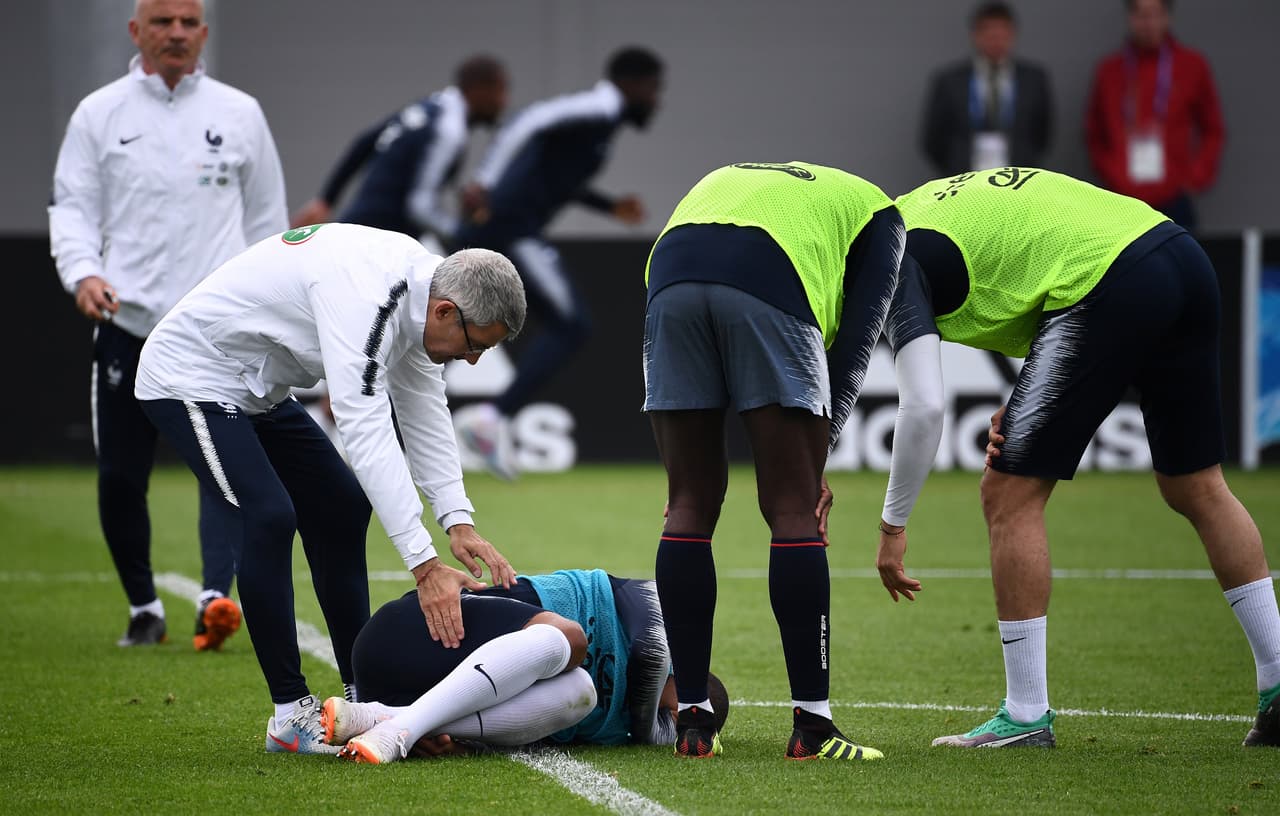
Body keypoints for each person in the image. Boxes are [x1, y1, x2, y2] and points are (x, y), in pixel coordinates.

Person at [877, 167, 1280, 749]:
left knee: (1008, 492)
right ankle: (1277, 683)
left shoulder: (888, 257)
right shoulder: (920, 208)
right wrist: (1024, 402)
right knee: (1197, 486)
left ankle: (1025, 715)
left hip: (1108, 280)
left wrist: (892, 524)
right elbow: (1032, 254)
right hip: (1177, 253)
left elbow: (923, 406)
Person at [133, 223, 525, 754]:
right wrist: (424, 565)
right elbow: (365, 428)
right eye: (476, 344)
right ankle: (290, 718)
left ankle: (364, 696)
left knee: (341, 507)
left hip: (258, 390)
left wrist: (458, 521)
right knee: (267, 516)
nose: (474, 359)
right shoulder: (370, 295)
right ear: (445, 313)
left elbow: (424, 413)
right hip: (190, 377)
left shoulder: (425, 292)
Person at [642, 161, 918, 761]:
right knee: (793, 508)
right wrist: (817, 459)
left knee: (687, 505)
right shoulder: (886, 216)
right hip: (769, 277)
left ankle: (691, 721)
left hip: (669, 277)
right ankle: (812, 727)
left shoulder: (745, 179)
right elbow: (854, 342)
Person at [47, 0, 287, 650]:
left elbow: (268, 220)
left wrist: (266, 307)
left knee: (221, 464)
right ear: (136, 31)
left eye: (188, 21)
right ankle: (143, 606)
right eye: (163, 21)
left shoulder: (240, 112)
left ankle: (215, 597)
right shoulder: (99, 113)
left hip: (214, 330)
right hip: (127, 320)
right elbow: (71, 207)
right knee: (122, 475)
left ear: (204, 32)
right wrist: (82, 273)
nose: (176, 32)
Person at [451, 46, 665, 479]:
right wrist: (485, 182)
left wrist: (609, 207)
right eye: (654, 89)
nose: (656, 100)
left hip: (515, 227)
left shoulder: (604, 127)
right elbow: (529, 121)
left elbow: (557, 178)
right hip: (509, 227)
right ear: (633, 84)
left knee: (563, 326)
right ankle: (490, 418)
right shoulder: (601, 106)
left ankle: (491, 418)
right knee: (572, 324)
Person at [320, 568, 730, 763]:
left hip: (411, 692)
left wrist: (454, 738)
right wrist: (648, 731)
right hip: (410, 632)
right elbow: (649, 652)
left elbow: (521, 726)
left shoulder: (611, 730)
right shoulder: (640, 609)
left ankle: (387, 720)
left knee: (581, 693)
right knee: (568, 640)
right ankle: (401, 728)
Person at [289, 55, 509, 247]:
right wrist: (465, 237)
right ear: (479, 89)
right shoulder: (450, 131)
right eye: (500, 91)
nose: (503, 102)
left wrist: (327, 199)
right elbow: (419, 208)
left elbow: (366, 141)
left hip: (360, 225)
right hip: (379, 242)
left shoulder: (431, 105)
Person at [1085, 0, 1225, 231]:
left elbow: (1213, 128)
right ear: (1130, 19)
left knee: (1180, 264)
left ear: (1167, 18)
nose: (1147, 23)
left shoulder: (1191, 65)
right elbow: (1094, 133)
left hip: (1173, 195)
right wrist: (1110, 173)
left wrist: (1195, 176)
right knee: (1125, 265)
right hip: (1123, 196)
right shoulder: (1110, 70)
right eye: (1141, 15)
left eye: (1155, 14)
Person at [921, 1, 1054, 176]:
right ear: (976, 35)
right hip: (963, 177)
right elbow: (933, 138)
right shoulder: (949, 80)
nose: (996, 41)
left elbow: (1042, 134)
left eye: (1002, 34)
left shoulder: (1034, 78)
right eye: (990, 34)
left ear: (1012, 35)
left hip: (1017, 176)